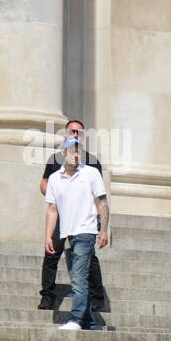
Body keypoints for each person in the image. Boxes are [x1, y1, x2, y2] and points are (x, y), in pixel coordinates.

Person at [39, 120, 107, 311]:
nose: (76, 135)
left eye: (79, 132)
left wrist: (100, 224)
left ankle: (97, 297)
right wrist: (57, 193)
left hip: (84, 218)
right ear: (65, 135)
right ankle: (47, 296)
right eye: (72, 131)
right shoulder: (55, 160)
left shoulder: (92, 162)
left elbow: (99, 195)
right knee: (51, 254)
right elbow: (43, 184)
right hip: (61, 216)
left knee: (88, 258)